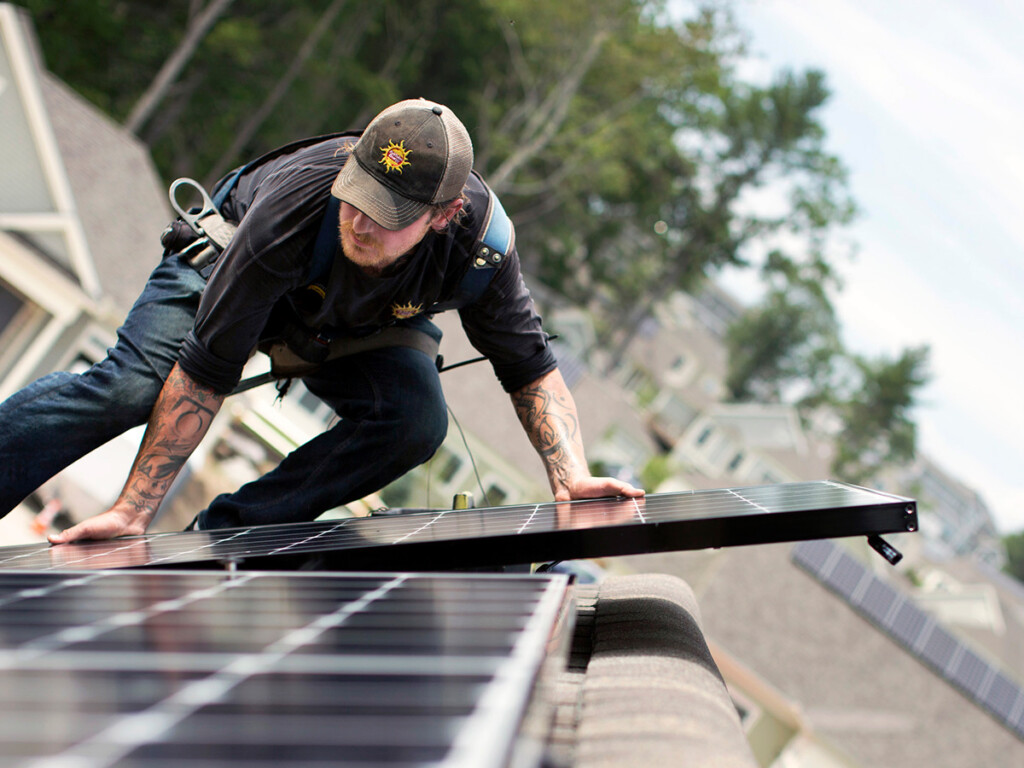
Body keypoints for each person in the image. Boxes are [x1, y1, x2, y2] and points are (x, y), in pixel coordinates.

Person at [0, 98, 643, 545]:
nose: (361, 222)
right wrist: (132, 513)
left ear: (442, 216)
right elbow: (204, 373)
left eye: (388, 214)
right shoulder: (298, 202)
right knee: (132, 389)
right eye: (358, 196)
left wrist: (572, 479)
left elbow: (531, 369)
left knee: (414, 422)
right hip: (230, 266)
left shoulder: (482, 248)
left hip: (357, 323)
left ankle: (226, 537)